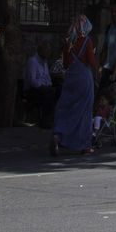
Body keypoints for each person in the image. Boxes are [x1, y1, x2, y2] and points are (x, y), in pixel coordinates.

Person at [52, 14, 99, 158]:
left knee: (66, 107)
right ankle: (84, 144)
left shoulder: (68, 42)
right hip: (84, 77)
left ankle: (58, 135)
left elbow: (65, 64)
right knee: (84, 111)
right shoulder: (87, 41)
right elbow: (92, 62)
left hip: (71, 77)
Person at [24, 39, 59, 126]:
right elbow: (32, 80)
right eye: (46, 49)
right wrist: (42, 86)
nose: (48, 52)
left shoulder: (45, 62)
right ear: (40, 50)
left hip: (44, 88)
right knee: (48, 94)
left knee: (58, 90)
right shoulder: (33, 61)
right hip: (33, 90)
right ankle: (46, 120)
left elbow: (47, 77)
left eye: (49, 50)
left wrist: (49, 85)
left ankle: (56, 118)